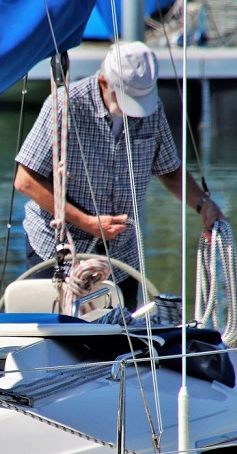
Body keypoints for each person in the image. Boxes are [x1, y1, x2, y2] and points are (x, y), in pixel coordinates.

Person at [14, 41, 225, 312]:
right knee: (61, 338)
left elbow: (169, 171)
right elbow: (25, 180)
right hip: (58, 251)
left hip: (120, 256)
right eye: (128, 101)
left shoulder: (153, 110)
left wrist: (204, 205)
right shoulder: (65, 106)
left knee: (121, 342)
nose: (133, 112)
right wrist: (86, 222)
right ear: (104, 82)